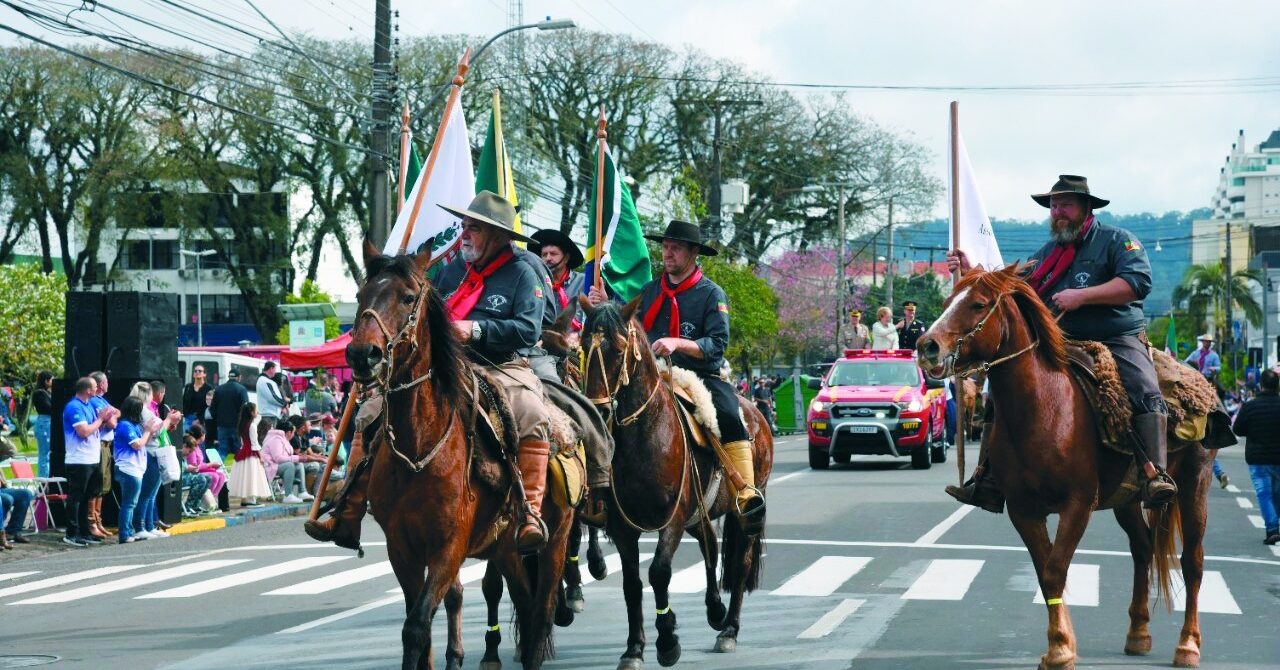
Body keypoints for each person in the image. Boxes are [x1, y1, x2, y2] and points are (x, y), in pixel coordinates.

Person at [946, 174, 1177, 511]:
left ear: (1086, 207)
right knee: (1001, 387)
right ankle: (988, 478)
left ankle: (1155, 472)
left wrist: (1083, 296)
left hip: (1116, 337)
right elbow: (1007, 287)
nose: (1058, 212)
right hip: (1058, 339)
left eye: (1065, 204)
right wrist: (972, 269)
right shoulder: (1047, 253)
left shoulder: (1118, 240)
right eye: (1053, 206)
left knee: (1143, 387)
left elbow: (1137, 283)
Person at [592, 219, 766, 535]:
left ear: (693, 253)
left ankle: (744, 490)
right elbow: (629, 331)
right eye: (665, 248)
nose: (667, 254)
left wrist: (678, 342)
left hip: (702, 374)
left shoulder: (712, 294)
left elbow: (717, 344)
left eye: (675, 249)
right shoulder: (649, 291)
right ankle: (601, 496)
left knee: (729, 415)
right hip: (655, 374)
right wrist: (606, 307)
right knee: (606, 411)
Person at [61, 377, 115, 547]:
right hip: (79, 459)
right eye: (94, 386)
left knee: (88, 496)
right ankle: (71, 533)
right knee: (76, 497)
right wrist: (101, 419)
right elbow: (83, 432)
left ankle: (85, 532)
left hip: (92, 458)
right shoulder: (74, 406)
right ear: (88, 390)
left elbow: (97, 427)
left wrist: (102, 419)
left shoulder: (88, 406)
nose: (98, 388)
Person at [1231, 369, 1280, 545]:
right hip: (1278, 459)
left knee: (1264, 494)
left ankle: (1273, 528)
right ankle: (1275, 524)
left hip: (1258, 459)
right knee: (1277, 494)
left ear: (1261, 385)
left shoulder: (1250, 406)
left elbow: (1237, 429)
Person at [113, 396, 156, 543]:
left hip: (134, 469)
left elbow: (144, 442)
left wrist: (150, 431)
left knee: (131, 503)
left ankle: (128, 530)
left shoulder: (133, 426)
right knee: (129, 503)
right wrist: (147, 431)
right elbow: (137, 445)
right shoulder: (125, 425)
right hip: (128, 469)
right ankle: (124, 534)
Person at [530, 227, 586, 332]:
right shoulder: (535, 283)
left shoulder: (583, 282)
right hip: (539, 342)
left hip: (575, 344)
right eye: (544, 255)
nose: (548, 258)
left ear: (566, 258)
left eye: (553, 254)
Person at [87, 371, 117, 540]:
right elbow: (112, 422)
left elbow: (117, 413)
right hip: (100, 444)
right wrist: (111, 416)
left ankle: (99, 521)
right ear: (99, 384)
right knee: (97, 483)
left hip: (107, 444)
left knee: (104, 485)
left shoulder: (103, 400)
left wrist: (112, 416)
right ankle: (92, 522)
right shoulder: (95, 401)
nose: (108, 384)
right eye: (106, 381)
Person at [261, 418, 313, 503]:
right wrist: (296, 458)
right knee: (289, 465)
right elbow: (278, 458)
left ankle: (302, 491)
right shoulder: (276, 439)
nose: (293, 435)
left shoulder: (282, 438)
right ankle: (288, 495)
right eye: (293, 432)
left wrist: (297, 459)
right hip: (269, 467)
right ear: (289, 433)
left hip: (275, 465)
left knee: (299, 465)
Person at [227, 403, 270, 507]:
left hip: (243, 452)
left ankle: (246, 499)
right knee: (252, 477)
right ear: (251, 413)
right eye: (256, 410)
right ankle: (251, 499)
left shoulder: (242, 424)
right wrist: (261, 456)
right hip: (251, 453)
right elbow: (254, 443)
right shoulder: (253, 425)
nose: (257, 412)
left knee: (245, 477)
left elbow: (244, 442)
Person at [185, 424, 226, 511]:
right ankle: (205, 501)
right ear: (201, 436)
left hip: (201, 470)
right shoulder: (192, 449)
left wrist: (210, 466)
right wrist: (210, 465)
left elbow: (201, 463)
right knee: (214, 476)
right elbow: (195, 466)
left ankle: (212, 500)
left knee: (221, 475)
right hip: (195, 473)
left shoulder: (198, 447)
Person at [213, 369, 249, 462]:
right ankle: (236, 471)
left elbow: (213, 408)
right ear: (239, 377)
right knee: (237, 450)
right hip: (236, 426)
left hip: (222, 425)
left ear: (229, 377)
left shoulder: (219, 389)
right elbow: (246, 408)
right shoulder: (241, 389)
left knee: (222, 450)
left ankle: (222, 472)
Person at [0, 461, 34, 550]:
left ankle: (13, 531)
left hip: (2, 489)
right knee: (7, 499)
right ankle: (1, 533)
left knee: (25, 494)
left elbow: (11, 450)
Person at [32, 370, 54, 477]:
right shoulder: (39, 393)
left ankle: (48, 478)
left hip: (49, 422)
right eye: (52, 380)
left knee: (48, 454)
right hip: (44, 422)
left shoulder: (48, 393)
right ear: (46, 381)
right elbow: (48, 408)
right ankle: (43, 480)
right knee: (44, 455)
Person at [181, 364, 212, 431]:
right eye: (195, 371)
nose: (197, 372)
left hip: (202, 420)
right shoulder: (188, 387)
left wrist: (200, 420)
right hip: (188, 419)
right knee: (186, 439)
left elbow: (210, 407)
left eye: (200, 371)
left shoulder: (209, 388)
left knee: (199, 440)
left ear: (204, 374)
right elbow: (183, 402)